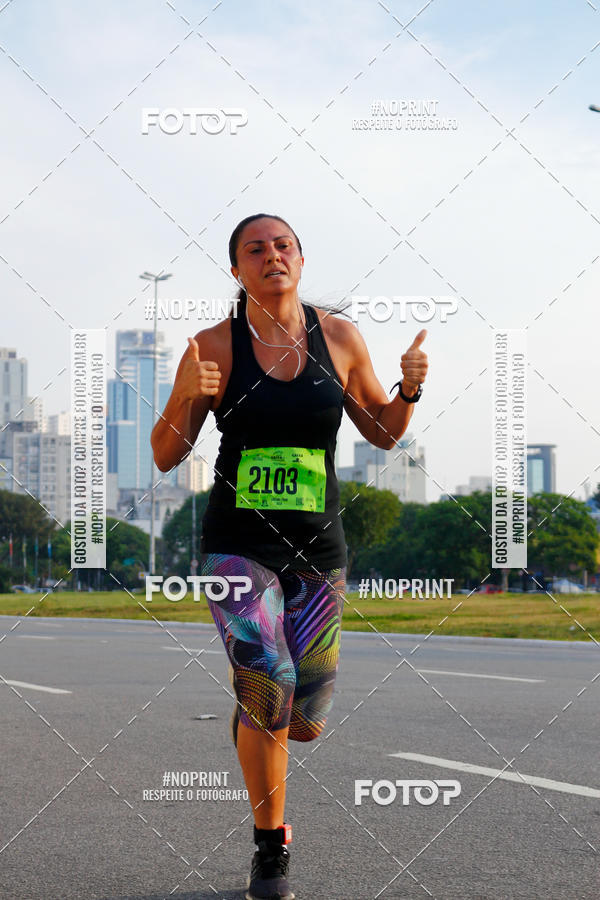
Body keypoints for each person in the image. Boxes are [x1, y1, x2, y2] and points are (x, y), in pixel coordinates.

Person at [151, 213, 428, 900]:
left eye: (283, 246)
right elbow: (164, 455)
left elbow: (382, 433)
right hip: (236, 545)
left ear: (300, 260)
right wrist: (188, 393)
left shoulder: (338, 337)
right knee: (265, 678)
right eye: (256, 249)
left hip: (318, 547)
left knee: (300, 722)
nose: (272, 255)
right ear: (237, 269)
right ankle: (270, 847)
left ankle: (259, 715)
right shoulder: (210, 344)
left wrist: (410, 388)